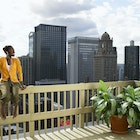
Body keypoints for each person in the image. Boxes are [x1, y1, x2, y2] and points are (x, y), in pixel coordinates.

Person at [0, 45, 26, 120]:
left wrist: (21, 84)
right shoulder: (1, 60)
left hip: (14, 81)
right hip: (4, 80)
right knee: (6, 96)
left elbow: (20, 72)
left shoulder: (16, 60)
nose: (14, 51)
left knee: (16, 96)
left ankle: (15, 110)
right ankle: (2, 109)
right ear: (7, 52)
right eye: (12, 50)